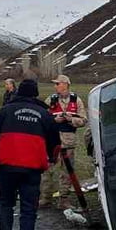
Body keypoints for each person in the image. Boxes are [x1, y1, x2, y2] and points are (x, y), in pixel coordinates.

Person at [0, 79, 61, 230]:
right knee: (28, 210)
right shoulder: (44, 114)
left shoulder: (5, 110)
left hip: (7, 166)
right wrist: (51, 159)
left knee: (6, 204)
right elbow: (55, 143)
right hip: (32, 168)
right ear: (35, 93)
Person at [42, 74, 87, 209]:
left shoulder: (76, 100)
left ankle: (64, 199)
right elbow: (43, 118)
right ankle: (45, 198)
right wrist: (54, 120)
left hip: (68, 140)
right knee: (47, 169)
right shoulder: (50, 100)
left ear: (65, 84)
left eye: (58, 84)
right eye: (55, 84)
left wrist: (70, 119)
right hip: (52, 139)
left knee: (67, 170)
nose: (55, 86)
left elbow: (84, 120)